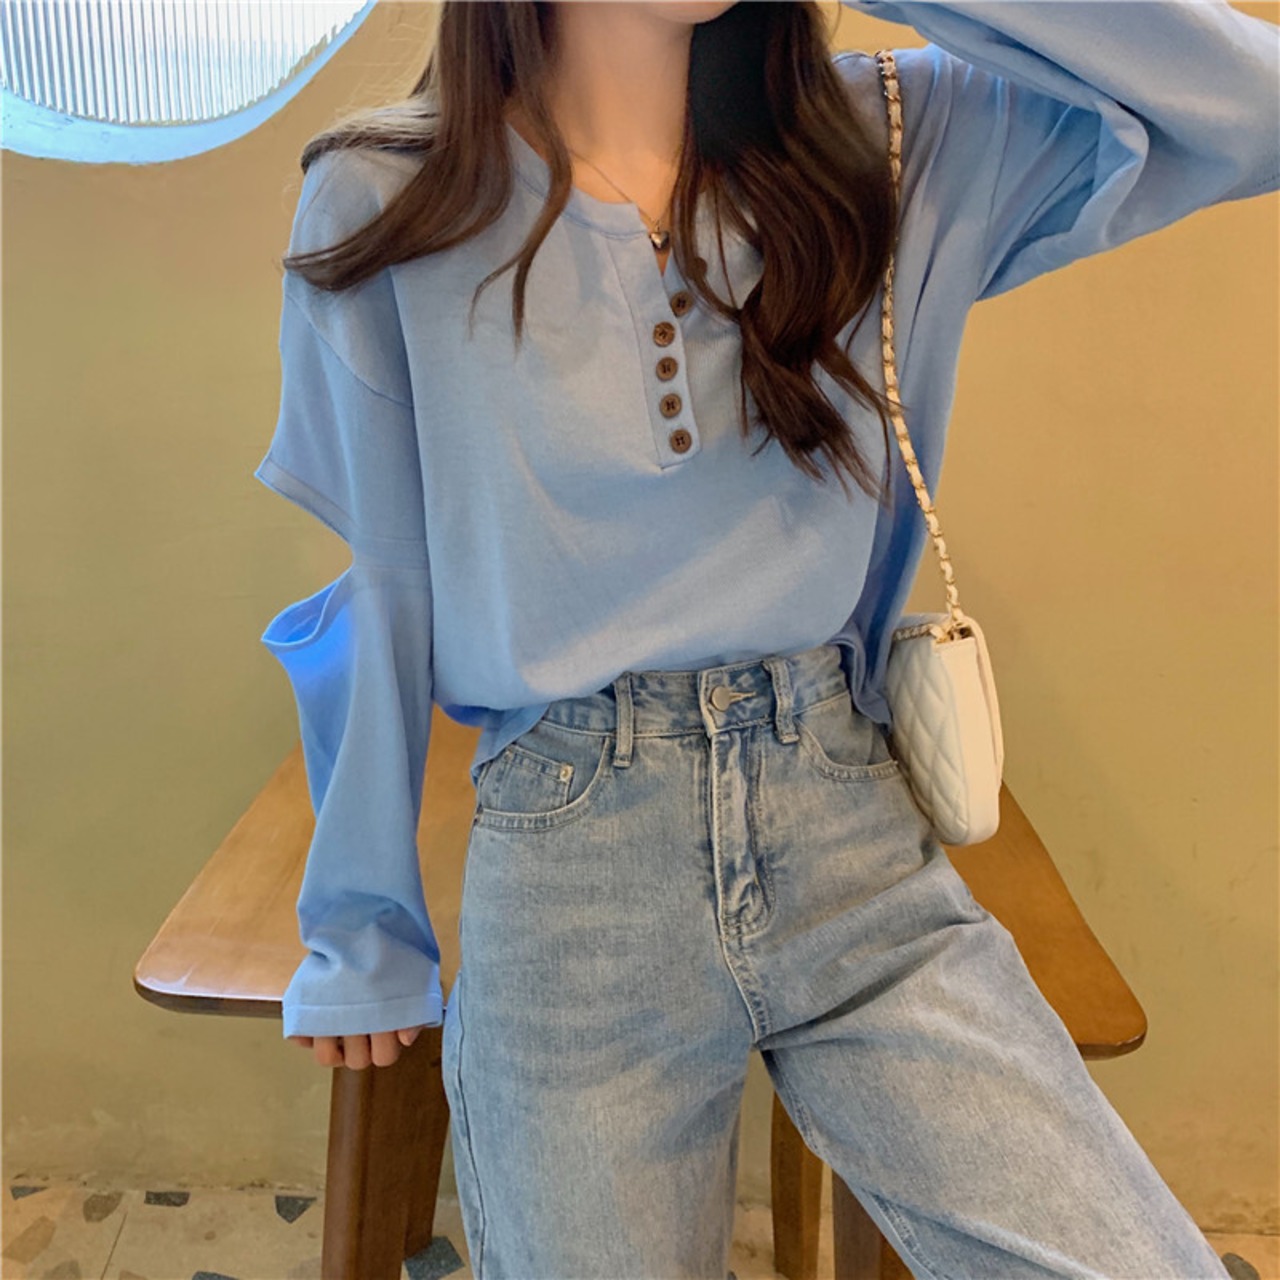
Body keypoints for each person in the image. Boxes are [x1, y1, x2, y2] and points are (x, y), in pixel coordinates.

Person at [253, 2, 1279, 1276]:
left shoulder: (886, 140)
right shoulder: (385, 192)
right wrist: (361, 922)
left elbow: (1253, 109)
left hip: (846, 838)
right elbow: (388, 586)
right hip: (571, 881)